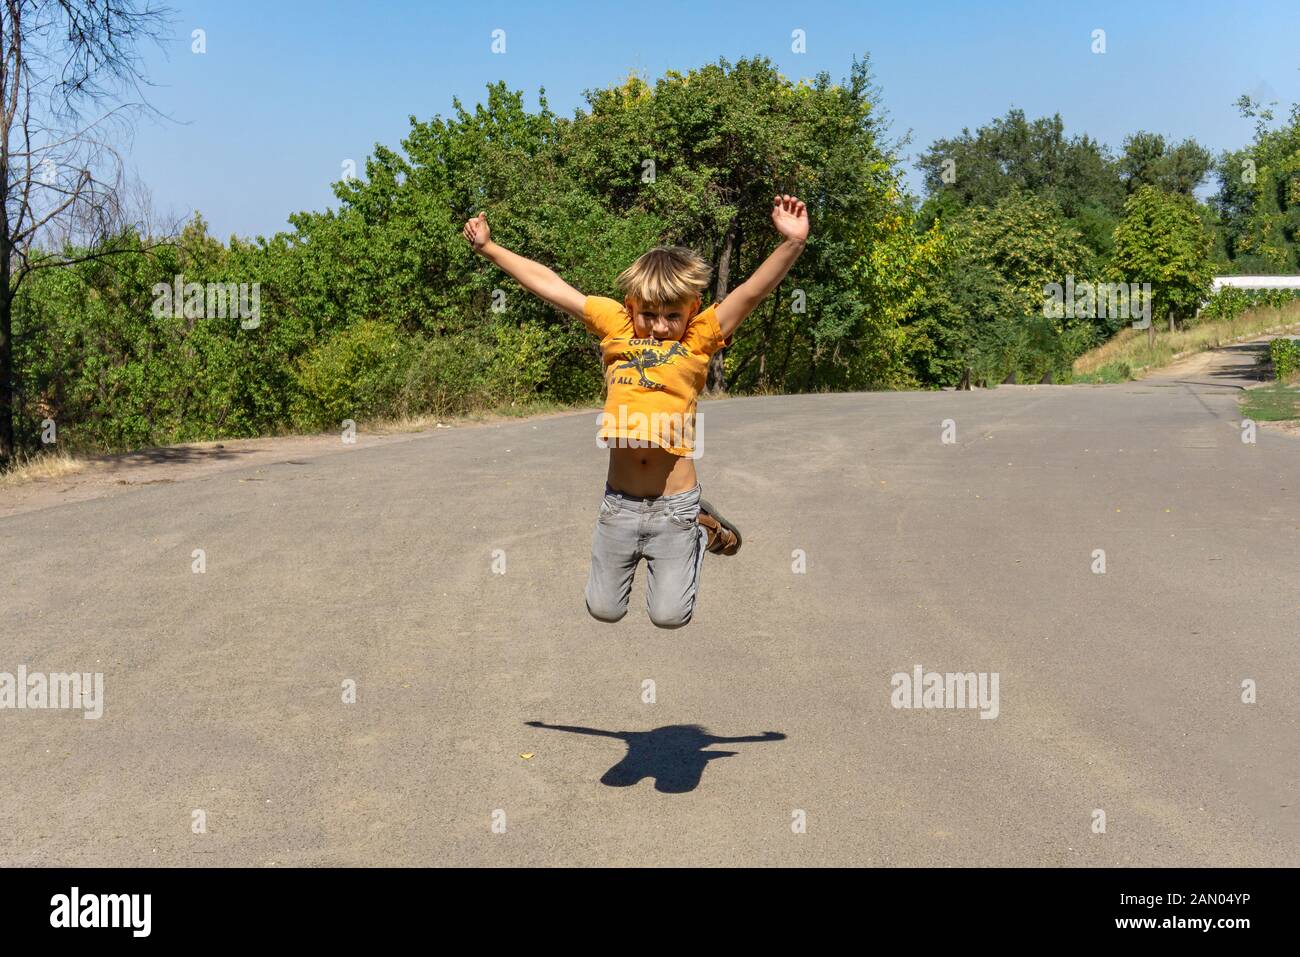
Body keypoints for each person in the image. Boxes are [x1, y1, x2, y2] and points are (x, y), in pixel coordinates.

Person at [463, 195, 808, 627]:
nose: (660, 327)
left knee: (670, 616)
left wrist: (792, 243)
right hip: (619, 505)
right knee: (603, 609)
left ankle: (701, 529)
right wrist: (490, 249)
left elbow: (750, 293)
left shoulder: (698, 337)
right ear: (630, 306)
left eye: (671, 316)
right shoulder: (616, 325)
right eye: (648, 314)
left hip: (674, 506)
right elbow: (551, 286)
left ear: (692, 311)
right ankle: (682, 534)